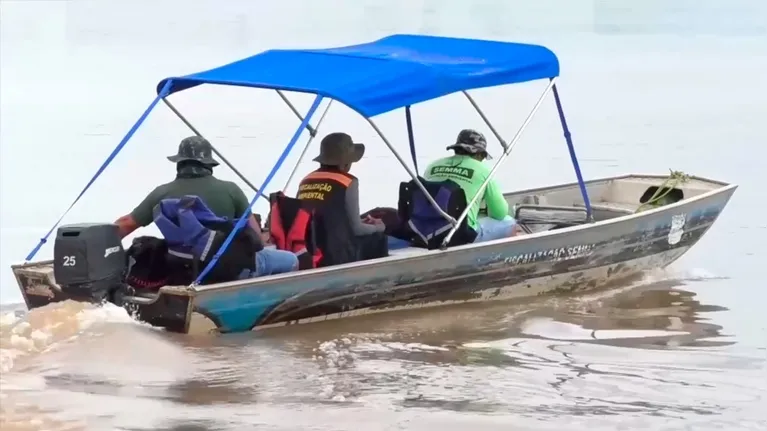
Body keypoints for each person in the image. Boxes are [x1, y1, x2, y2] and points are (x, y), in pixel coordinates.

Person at [114, 136, 298, 277]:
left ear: (179, 163)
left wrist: (100, 247)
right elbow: (256, 239)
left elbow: (127, 223)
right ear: (209, 165)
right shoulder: (231, 190)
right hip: (230, 269)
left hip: (182, 267)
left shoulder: (161, 193)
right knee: (290, 259)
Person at [292, 132, 388, 265]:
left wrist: (362, 221)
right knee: (378, 237)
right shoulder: (348, 181)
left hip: (308, 250)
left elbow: (321, 216)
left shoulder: (306, 180)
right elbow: (357, 229)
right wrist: (378, 227)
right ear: (346, 163)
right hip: (335, 254)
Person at [421, 129, 520, 242]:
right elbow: (499, 213)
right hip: (460, 233)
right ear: (478, 154)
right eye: (482, 156)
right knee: (509, 222)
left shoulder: (432, 166)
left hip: (427, 229)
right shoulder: (483, 171)